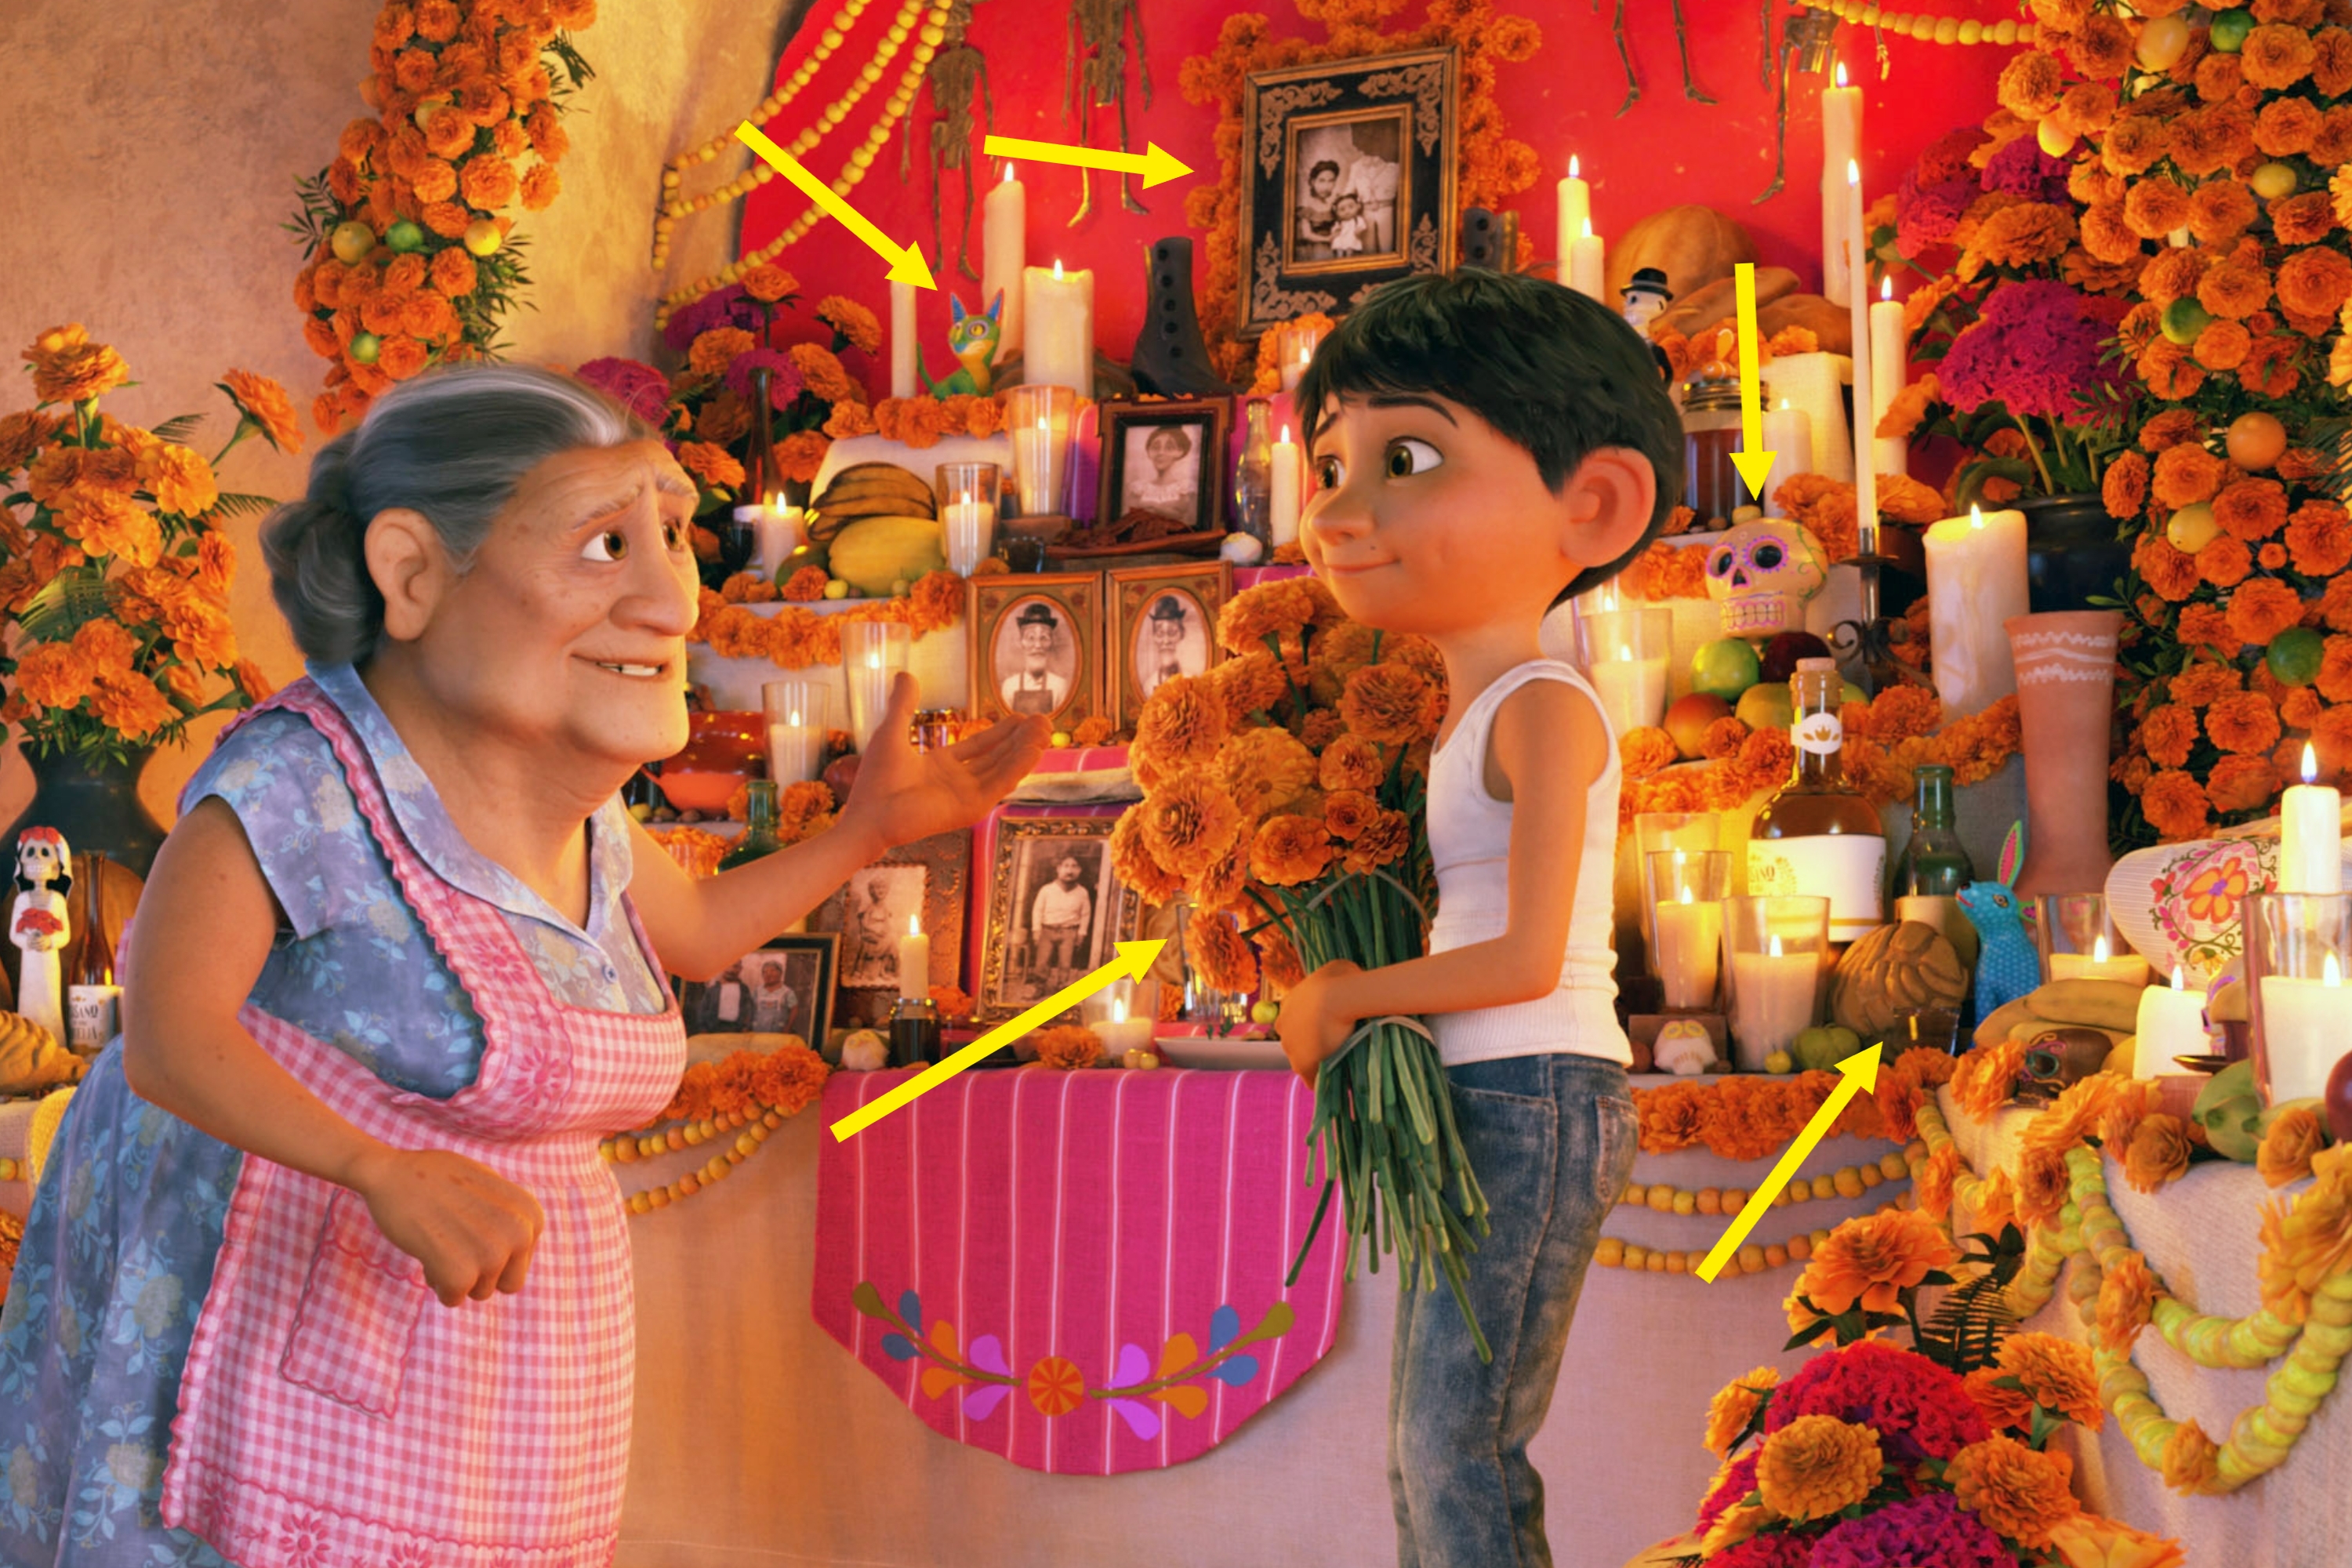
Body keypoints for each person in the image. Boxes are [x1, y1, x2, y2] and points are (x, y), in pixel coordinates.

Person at [0, 365, 1045, 1567]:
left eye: (672, 538)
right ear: (412, 574)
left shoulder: (573, 805)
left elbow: (695, 929)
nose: (673, 602)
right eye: (605, 544)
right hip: (269, 1320)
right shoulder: (295, 779)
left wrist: (862, 836)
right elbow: (173, 1035)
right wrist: (378, 1168)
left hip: (508, 1368)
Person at [1275, 270, 1681, 1568]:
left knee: (1457, 1444)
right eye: (1329, 462)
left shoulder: (1546, 709)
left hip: (1535, 1090)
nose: (1342, 507)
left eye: (1405, 456)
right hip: (1488, 1094)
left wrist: (1346, 997)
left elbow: (1523, 958)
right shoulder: (1469, 718)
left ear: (1597, 503)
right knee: (1431, 1442)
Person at [1025, 853, 1093, 989]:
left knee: (1065, 963)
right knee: (1042, 962)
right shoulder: (1047, 890)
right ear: (1058, 869)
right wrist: (1036, 930)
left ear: (1079, 871)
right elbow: (1037, 910)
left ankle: (1062, 988)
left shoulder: (1082, 892)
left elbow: (1086, 914)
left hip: (1069, 932)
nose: (1070, 871)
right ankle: (1039, 987)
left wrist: (1082, 933)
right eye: (1066, 866)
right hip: (1047, 930)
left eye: (1075, 867)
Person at [998, 601, 1069, 715]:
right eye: (1031, 638)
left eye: (1044, 638)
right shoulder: (1010, 686)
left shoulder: (1060, 686)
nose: (1038, 645)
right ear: (1022, 643)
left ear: (1051, 642)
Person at [1126, 425, 1197, 520]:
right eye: (1155, 448)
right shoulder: (1139, 488)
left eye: (1169, 448)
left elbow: (1185, 516)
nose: (1161, 453)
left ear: (1180, 452)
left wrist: (1154, 507)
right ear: (1149, 451)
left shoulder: (1185, 487)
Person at [1138, 594, 1196, 695]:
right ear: (1154, 637)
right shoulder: (1149, 685)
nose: (1166, 641)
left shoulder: (1192, 681)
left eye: (1172, 633)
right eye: (1160, 633)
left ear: (1182, 634)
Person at [1295, 158, 1342, 259]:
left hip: (1334, 246)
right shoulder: (1307, 206)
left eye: (1331, 181)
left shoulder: (1332, 204)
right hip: (1315, 250)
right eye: (1322, 181)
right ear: (1313, 182)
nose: (1326, 186)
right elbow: (1307, 235)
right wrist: (1328, 239)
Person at [746, 956, 797, 1033]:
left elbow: (794, 1010)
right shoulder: (757, 991)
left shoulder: (788, 992)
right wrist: (747, 1026)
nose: (768, 974)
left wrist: (788, 1027)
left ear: (780, 973)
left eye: (772, 971)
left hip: (778, 1031)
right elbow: (750, 1009)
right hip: (757, 1030)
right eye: (765, 972)